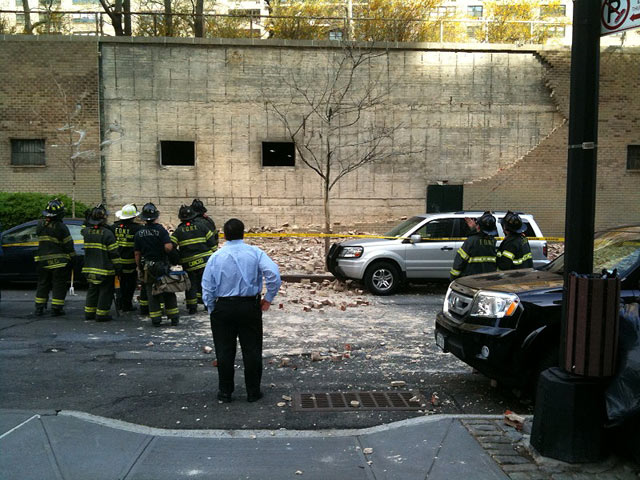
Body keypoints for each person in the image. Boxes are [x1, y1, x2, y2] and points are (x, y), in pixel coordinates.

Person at [202, 218, 281, 403]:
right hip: (249, 306)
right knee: (252, 351)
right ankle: (253, 392)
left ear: (224, 234)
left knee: (224, 351)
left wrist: (212, 308)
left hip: (223, 307)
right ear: (243, 233)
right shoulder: (255, 253)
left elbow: (207, 286)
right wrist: (268, 298)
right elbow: (273, 274)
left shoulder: (216, 257)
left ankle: (225, 392)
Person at [134, 202, 180, 326]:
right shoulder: (161, 230)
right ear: (156, 216)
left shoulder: (139, 233)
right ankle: (173, 317)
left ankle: (156, 319)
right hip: (162, 265)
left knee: (151, 292)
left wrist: (139, 268)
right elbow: (168, 248)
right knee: (168, 290)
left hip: (148, 267)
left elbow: (137, 254)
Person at [170, 205, 217, 314]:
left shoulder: (178, 231)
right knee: (205, 283)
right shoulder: (202, 226)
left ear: (181, 218)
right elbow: (212, 243)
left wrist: (177, 258)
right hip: (205, 262)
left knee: (190, 284)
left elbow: (171, 247)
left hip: (188, 263)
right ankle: (207, 305)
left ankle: (192, 307)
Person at [34, 198, 75, 316]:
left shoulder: (40, 224)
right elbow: (68, 245)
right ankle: (56, 308)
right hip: (59, 262)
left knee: (43, 283)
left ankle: (39, 308)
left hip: (42, 261)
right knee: (59, 284)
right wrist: (73, 258)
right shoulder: (61, 227)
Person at [82, 204, 120, 322]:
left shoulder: (86, 232)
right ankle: (101, 314)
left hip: (89, 269)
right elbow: (114, 254)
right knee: (105, 292)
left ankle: (89, 313)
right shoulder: (108, 234)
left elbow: (84, 227)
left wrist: (86, 218)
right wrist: (118, 268)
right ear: (104, 219)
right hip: (105, 270)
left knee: (92, 290)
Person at [450, 211, 498, 281]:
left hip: (472, 280)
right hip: (489, 279)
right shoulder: (493, 241)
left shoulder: (471, 241)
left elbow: (459, 262)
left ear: (478, 227)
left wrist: (453, 278)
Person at [113, 204, 142, 312]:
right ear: (133, 217)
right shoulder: (137, 229)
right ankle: (127, 305)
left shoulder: (114, 227)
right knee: (129, 285)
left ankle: (119, 303)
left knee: (119, 284)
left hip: (116, 262)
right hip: (130, 263)